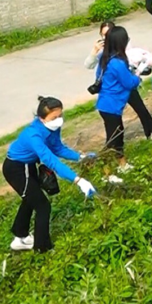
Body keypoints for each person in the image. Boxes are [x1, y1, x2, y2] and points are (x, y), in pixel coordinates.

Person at [4, 97, 96, 253]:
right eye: (54, 118)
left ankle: (20, 237)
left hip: (28, 165)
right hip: (16, 169)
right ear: (41, 118)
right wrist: (78, 180)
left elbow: (58, 148)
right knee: (42, 206)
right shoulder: (34, 135)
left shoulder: (52, 128)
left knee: (30, 200)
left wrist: (79, 157)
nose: (59, 120)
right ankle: (42, 248)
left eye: (60, 116)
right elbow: (51, 160)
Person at [84, 21, 152, 141]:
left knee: (141, 109)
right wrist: (94, 52)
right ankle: (114, 150)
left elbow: (135, 60)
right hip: (119, 87)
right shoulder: (104, 53)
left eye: (108, 34)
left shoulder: (123, 48)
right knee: (115, 126)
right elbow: (89, 65)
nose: (106, 38)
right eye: (103, 35)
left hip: (126, 83)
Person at [96, 25, 150, 172]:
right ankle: (105, 172)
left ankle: (122, 165)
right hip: (111, 106)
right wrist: (138, 75)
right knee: (113, 140)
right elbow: (129, 83)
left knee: (117, 136)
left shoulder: (105, 57)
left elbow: (98, 77)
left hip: (105, 104)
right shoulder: (118, 63)